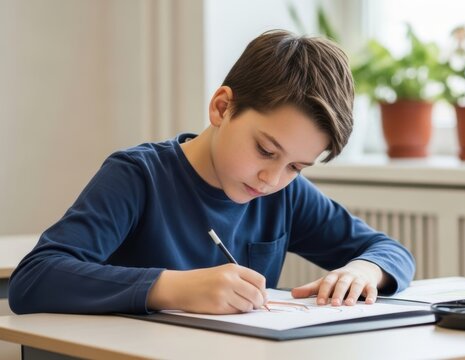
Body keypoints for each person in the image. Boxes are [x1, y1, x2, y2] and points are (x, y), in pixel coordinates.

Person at [8, 30, 415, 315]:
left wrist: (365, 270)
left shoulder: (285, 195)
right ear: (222, 107)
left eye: (295, 166)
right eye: (265, 150)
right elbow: (35, 278)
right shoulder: (138, 176)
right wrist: (172, 288)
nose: (271, 179)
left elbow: (392, 252)